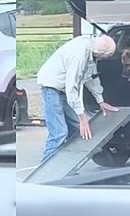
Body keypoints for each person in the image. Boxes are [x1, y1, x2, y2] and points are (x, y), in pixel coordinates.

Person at [37, 34, 119, 162]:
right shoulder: (79, 56)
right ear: (101, 53)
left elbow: (91, 77)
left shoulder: (90, 50)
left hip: (63, 89)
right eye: (108, 55)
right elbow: (72, 88)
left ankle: (67, 169)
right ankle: (43, 175)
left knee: (76, 130)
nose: (108, 58)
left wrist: (100, 101)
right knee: (59, 132)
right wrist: (82, 118)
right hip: (52, 87)